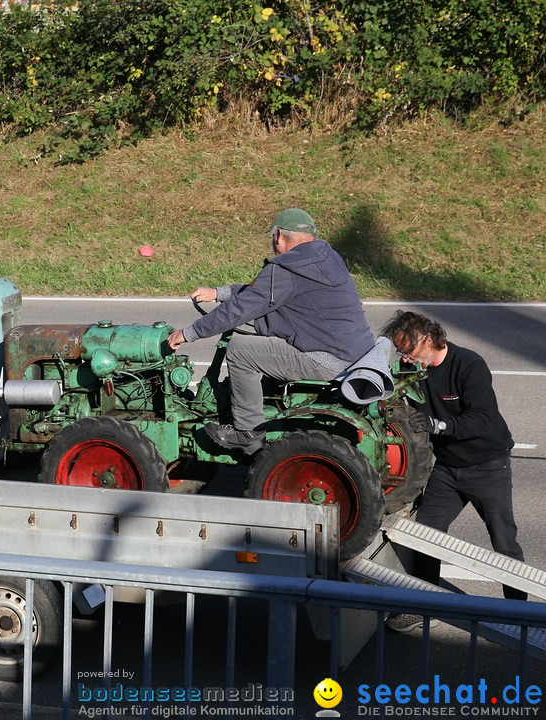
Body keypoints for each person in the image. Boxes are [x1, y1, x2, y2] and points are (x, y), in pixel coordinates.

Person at [167, 208, 374, 454]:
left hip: (329, 358)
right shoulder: (327, 256)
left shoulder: (288, 269)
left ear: (278, 236)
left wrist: (187, 334)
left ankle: (247, 432)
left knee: (240, 350)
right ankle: (261, 397)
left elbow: (240, 310)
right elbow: (263, 293)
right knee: (257, 334)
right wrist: (218, 293)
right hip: (353, 349)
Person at [380, 311, 526, 632]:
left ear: (429, 340)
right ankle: (423, 607)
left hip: (486, 464)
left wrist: (437, 424)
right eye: (401, 352)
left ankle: (520, 613)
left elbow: (484, 419)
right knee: (428, 536)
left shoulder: (468, 365)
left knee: (504, 542)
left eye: (410, 352)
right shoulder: (411, 369)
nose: (406, 358)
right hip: (446, 468)